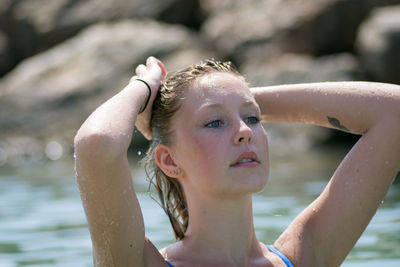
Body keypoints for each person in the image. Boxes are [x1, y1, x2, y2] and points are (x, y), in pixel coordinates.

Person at [74, 56, 400, 267]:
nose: (245, 132)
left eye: (253, 119)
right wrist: (144, 87)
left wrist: (233, 96)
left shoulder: (302, 256)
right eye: (215, 123)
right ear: (170, 160)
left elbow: (394, 112)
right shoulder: (136, 262)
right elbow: (96, 144)